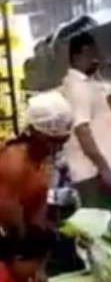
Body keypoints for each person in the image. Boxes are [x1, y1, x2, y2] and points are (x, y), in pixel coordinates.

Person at [62, 31, 111, 210]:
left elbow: (104, 109)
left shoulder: (88, 83)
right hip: (91, 172)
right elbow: (82, 130)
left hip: (97, 169)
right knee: (97, 225)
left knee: (105, 222)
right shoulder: (77, 88)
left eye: (95, 53)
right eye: (90, 54)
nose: (95, 58)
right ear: (77, 56)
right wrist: (103, 168)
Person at [0, 91, 75, 237]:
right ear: (34, 132)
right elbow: (11, 225)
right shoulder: (14, 164)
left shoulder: (41, 159)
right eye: (52, 141)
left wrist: (43, 232)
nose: (57, 148)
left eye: (62, 142)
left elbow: (38, 207)